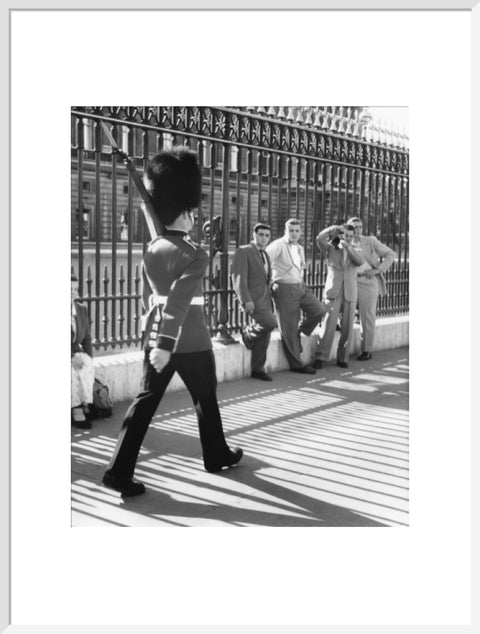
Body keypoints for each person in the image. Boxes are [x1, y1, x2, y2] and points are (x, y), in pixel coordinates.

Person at [102, 147, 242, 497]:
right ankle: (215, 453)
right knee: (205, 399)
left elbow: (150, 294)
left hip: (155, 340)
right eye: (193, 212)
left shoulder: (152, 249)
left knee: (144, 404)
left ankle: (119, 471)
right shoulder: (196, 253)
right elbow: (179, 301)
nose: (196, 217)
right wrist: (167, 344)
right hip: (191, 341)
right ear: (186, 211)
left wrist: (157, 340)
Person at [266, 218, 326, 374]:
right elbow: (264, 260)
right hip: (285, 288)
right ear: (286, 230)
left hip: (300, 286)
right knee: (288, 327)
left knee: (319, 310)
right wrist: (270, 281)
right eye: (291, 230)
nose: (294, 233)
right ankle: (296, 364)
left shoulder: (299, 247)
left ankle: (300, 331)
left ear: (300, 232)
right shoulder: (278, 245)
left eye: (297, 231)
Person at [314, 223, 365, 369]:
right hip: (333, 291)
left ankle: (343, 357)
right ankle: (321, 356)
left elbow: (360, 262)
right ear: (340, 234)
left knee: (347, 326)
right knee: (328, 324)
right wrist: (332, 230)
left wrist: (347, 247)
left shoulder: (355, 250)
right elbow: (319, 238)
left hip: (349, 292)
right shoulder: (330, 248)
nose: (347, 238)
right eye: (344, 235)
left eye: (350, 236)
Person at [231, 223, 277, 381]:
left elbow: (265, 279)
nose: (264, 238)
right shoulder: (243, 251)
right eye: (261, 234)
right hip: (252, 299)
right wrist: (245, 299)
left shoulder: (265, 254)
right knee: (270, 323)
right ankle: (248, 333)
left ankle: (258, 369)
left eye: (267, 235)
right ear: (254, 235)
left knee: (266, 334)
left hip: (265, 299)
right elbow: (238, 277)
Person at [347, 216, 397, 360]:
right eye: (354, 226)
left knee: (367, 316)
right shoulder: (344, 241)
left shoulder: (370, 241)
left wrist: (378, 270)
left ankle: (366, 350)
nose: (357, 229)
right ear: (348, 228)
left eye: (360, 227)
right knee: (341, 309)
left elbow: (390, 254)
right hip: (349, 281)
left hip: (367, 282)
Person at [71, 274, 95, 429]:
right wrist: (71, 356)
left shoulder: (81, 310)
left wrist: (89, 358)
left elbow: (86, 337)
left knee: (86, 363)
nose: (73, 292)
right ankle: (76, 409)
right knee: (72, 370)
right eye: (69, 289)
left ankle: (85, 401)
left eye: (75, 289)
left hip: (75, 352)